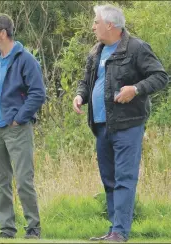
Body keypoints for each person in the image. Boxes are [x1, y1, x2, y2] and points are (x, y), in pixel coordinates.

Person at [73, 4, 168, 243]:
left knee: (125, 178)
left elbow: (160, 76)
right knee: (109, 179)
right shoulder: (96, 50)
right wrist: (80, 95)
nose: (93, 26)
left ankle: (120, 232)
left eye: (96, 22)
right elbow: (86, 80)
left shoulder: (137, 48)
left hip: (128, 124)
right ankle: (114, 230)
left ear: (110, 25)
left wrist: (135, 89)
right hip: (101, 125)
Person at [0, 13, 46, 239]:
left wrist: (19, 118)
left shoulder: (25, 59)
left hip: (18, 129)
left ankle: (33, 228)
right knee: (1, 182)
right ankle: (7, 229)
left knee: (24, 180)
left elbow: (38, 93)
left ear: (3, 33)